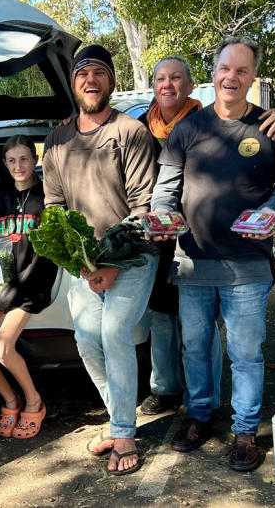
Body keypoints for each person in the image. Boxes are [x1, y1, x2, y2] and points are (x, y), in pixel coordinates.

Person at [150, 36, 275, 472]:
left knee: (245, 353)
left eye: (241, 70)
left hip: (249, 263)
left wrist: (274, 209)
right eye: (225, 68)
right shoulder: (188, 129)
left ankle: (245, 430)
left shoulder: (272, 128)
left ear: (253, 77)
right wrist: (162, 215)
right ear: (213, 72)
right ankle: (200, 415)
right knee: (195, 347)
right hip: (194, 261)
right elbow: (166, 189)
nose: (231, 77)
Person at [42, 45, 158, 475]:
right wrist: (79, 259)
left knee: (113, 335)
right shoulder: (57, 138)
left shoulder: (130, 132)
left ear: (110, 81)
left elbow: (144, 206)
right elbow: (53, 204)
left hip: (131, 257)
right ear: (73, 84)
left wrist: (110, 263)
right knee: (87, 341)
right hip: (84, 263)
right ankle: (118, 417)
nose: (90, 80)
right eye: (82, 73)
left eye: (99, 73)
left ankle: (124, 434)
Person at [0, 135, 57, 439]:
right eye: (12, 160)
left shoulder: (48, 198)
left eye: (25, 158)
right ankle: (10, 399)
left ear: (36, 159)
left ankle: (34, 400)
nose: (19, 166)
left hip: (30, 287)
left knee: (2, 347)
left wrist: (11, 294)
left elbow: (43, 259)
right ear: (4, 163)